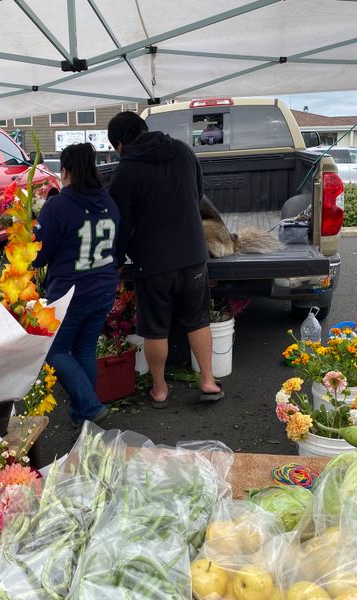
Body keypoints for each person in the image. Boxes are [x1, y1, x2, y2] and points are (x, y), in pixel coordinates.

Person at [107, 111, 224, 408]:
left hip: (153, 260)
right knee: (198, 320)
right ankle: (208, 381)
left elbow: (121, 222)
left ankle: (160, 389)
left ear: (120, 144)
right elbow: (198, 194)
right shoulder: (183, 151)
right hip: (193, 254)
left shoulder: (126, 170)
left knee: (155, 327)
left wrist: (117, 258)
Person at [34, 143, 120, 426]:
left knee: (54, 351)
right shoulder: (108, 201)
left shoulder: (58, 205)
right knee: (84, 348)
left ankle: (89, 405)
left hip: (70, 293)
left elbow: (39, 254)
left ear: (66, 170)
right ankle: (84, 413)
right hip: (104, 287)